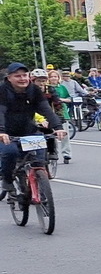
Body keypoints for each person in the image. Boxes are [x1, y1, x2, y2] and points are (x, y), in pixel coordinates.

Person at [0, 63, 66, 192]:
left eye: (24, 75)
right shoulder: (2, 91)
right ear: (9, 78)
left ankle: (38, 187)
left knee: (39, 157)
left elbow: (46, 109)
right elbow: (0, 112)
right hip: (7, 132)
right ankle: (7, 180)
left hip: (29, 131)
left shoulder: (34, 90)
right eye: (17, 76)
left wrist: (58, 127)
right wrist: (1, 131)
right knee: (10, 153)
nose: (22, 79)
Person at [47, 70, 73, 163]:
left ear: (58, 78)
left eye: (55, 76)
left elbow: (69, 99)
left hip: (61, 112)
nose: (53, 78)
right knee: (51, 135)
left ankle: (66, 154)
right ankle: (53, 152)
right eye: (51, 77)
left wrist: (61, 100)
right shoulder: (46, 88)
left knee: (64, 135)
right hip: (49, 113)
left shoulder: (62, 87)